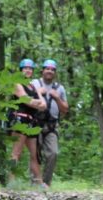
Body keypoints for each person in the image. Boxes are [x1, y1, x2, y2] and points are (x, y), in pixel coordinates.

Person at [9, 59, 47, 187]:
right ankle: (11, 181)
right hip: (19, 119)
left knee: (34, 154)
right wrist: (36, 102)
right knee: (16, 153)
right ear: (20, 70)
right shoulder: (17, 83)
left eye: (30, 68)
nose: (28, 70)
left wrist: (34, 102)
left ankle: (39, 182)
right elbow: (26, 100)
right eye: (25, 68)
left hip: (32, 121)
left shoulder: (33, 86)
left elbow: (44, 105)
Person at [30, 59, 69, 187]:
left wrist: (57, 97)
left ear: (55, 73)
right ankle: (35, 182)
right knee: (36, 153)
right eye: (47, 69)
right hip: (36, 123)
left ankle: (46, 182)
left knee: (53, 153)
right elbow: (25, 98)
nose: (50, 71)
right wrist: (37, 93)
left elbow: (65, 110)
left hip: (52, 125)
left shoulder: (60, 88)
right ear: (42, 70)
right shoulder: (35, 83)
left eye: (52, 70)